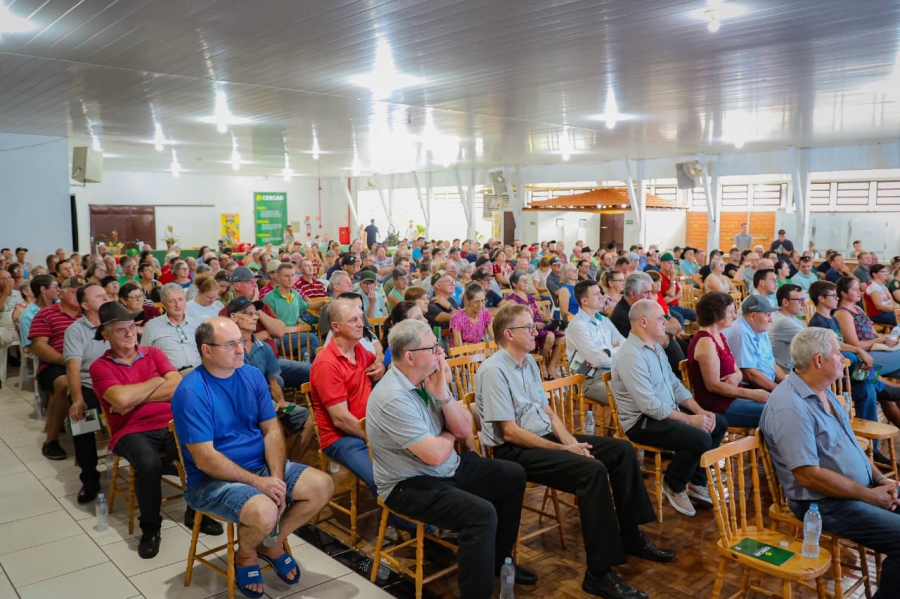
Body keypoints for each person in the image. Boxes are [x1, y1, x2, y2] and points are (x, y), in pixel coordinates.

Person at [478, 303, 667, 599]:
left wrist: (570, 443)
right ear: (508, 334)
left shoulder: (528, 363)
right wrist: (563, 449)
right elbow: (510, 432)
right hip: (514, 450)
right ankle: (598, 575)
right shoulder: (493, 370)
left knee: (620, 450)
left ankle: (630, 535)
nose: (536, 332)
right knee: (592, 471)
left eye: (534, 326)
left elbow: (548, 413)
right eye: (528, 327)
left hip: (544, 438)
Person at [366, 319, 533, 599]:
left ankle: (497, 560)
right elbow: (434, 455)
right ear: (410, 357)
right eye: (433, 348)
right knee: (480, 514)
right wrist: (448, 433)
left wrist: (443, 395)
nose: (440, 352)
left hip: (444, 467)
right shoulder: (392, 396)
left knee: (512, 475)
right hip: (407, 483)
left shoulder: (429, 378)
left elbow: (465, 430)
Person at [172, 317, 334, 597]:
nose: (241, 349)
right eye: (231, 344)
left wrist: (276, 479)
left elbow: (272, 430)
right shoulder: (191, 391)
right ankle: (246, 552)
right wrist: (260, 484)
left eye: (241, 341)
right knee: (266, 510)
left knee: (322, 485)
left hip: (260, 467)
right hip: (211, 481)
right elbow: (206, 459)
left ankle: (271, 542)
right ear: (206, 350)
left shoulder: (252, 375)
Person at [760, 327, 900, 598]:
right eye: (838, 353)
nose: (844, 359)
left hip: (857, 491)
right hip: (822, 503)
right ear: (819, 360)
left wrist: (880, 479)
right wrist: (870, 496)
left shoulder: (823, 391)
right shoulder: (790, 407)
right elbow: (808, 475)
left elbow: (851, 446)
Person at [91, 302, 223, 558]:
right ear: (106, 335)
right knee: (148, 464)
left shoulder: (153, 353)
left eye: (132, 327)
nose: (129, 333)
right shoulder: (100, 366)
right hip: (130, 430)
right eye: (120, 329)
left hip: (170, 422)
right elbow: (120, 400)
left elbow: (177, 385)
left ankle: (196, 511)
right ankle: (151, 528)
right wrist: (156, 381)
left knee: (200, 451)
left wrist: (134, 398)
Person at [610, 299, 728, 517]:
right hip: (641, 422)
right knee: (700, 437)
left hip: (663, 412)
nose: (666, 321)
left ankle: (696, 480)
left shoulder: (656, 346)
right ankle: (674, 483)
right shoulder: (630, 355)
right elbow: (649, 406)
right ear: (643, 322)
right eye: (661, 318)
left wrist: (699, 411)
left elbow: (675, 385)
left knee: (717, 422)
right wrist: (690, 420)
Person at [228, 297, 315, 464]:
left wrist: (281, 401)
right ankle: (273, 465)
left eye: (255, 314)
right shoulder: (228, 349)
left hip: (269, 403)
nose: (255, 317)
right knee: (273, 425)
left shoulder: (264, 347)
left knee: (308, 419)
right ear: (234, 316)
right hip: (242, 408)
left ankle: (289, 465)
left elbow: (273, 381)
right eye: (249, 314)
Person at [688, 292, 769, 428]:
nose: (734, 315)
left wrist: (737, 376)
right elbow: (713, 385)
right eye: (730, 312)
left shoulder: (719, 336)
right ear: (717, 314)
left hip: (733, 397)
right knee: (775, 412)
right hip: (718, 405)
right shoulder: (706, 341)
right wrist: (752, 394)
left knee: (778, 406)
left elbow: (737, 370)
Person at [30, 276, 85, 460]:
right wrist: (67, 360)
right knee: (65, 383)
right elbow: (39, 346)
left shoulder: (88, 314)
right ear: (61, 292)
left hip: (87, 363)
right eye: (74, 291)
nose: (78, 295)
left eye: (81, 292)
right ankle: (51, 441)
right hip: (56, 364)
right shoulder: (46, 314)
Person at [611, 272, 686, 376]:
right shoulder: (624, 315)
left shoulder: (645, 306)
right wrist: (667, 333)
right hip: (645, 367)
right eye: (646, 292)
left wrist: (662, 332)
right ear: (633, 294)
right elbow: (656, 343)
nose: (650, 297)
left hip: (665, 364)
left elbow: (676, 326)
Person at [565, 280, 626, 403]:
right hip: (591, 380)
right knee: (628, 397)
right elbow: (597, 360)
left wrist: (608, 351)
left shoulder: (604, 320)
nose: (601, 296)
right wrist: (616, 353)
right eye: (596, 294)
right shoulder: (578, 325)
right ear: (584, 301)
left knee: (646, 388)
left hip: (615, 373)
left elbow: (625, 345)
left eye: (600, 293)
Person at [832, 276, 900, 378]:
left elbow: (873, 333)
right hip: (863, 357)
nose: (860, 292)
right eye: (855, 289)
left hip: (874, 349)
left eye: (859, 289)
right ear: (843, 293)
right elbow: (856, 345)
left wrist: (886, 340)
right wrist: (878, 340)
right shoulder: (843, 314)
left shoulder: (857, 308)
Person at [506, 270, 563, 378]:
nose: (526, 282)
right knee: (550, 336)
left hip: (541, 327)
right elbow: (517, 320)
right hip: (527, 330)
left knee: (563, 339)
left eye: (526, 280)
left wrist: (551, 322)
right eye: (523, 280)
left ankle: (551, 366)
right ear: (514, 283)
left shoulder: (530, 296)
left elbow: (540, 313)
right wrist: (534, 325)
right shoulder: (511, 300)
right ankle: (540, 364)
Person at [263, 263, 321, 359]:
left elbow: (307, 305)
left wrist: (324, 303)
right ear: (278, 277)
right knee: (312, 338)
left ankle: (307, 366)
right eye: (286, 276)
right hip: (279, 338)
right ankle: (318, 366)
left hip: (295, 336)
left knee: (305, 350)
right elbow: (268, 325)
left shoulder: (295, 294)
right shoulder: (269, 298)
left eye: (292, 275)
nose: (290, 279)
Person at [141, 283, 202, 373]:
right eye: (172, 301)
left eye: (180, 299)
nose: (178, 304)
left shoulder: (198, 324)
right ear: (164, 304)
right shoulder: (151, 326)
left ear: (185, 300)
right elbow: (144, 357)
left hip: (200, 372)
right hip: (171, 375)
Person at [659, 253, 696, 327]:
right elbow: (671, 293)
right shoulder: (660, 277)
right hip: (667, 307)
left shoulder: (671, 276)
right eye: (669, 263)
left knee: (695, 314)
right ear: (662, 263)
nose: (672, 266)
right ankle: (680, 334)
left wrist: (672, 298)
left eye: (673, 263)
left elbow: (680, 294)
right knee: (680, 318)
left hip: (676, 306)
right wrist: (673, 277)